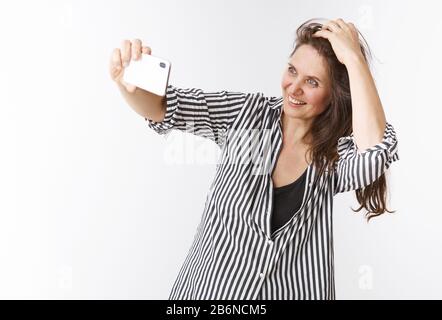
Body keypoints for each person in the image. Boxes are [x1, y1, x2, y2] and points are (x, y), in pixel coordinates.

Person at [109, 18, 400, 300]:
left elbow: (376, 153)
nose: (294, 87)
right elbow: (165, 108)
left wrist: (353, 60)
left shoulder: (337, 154)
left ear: (335, 95)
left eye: (312, 82)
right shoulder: (247, 115)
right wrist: (128, 86)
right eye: (292, 70)